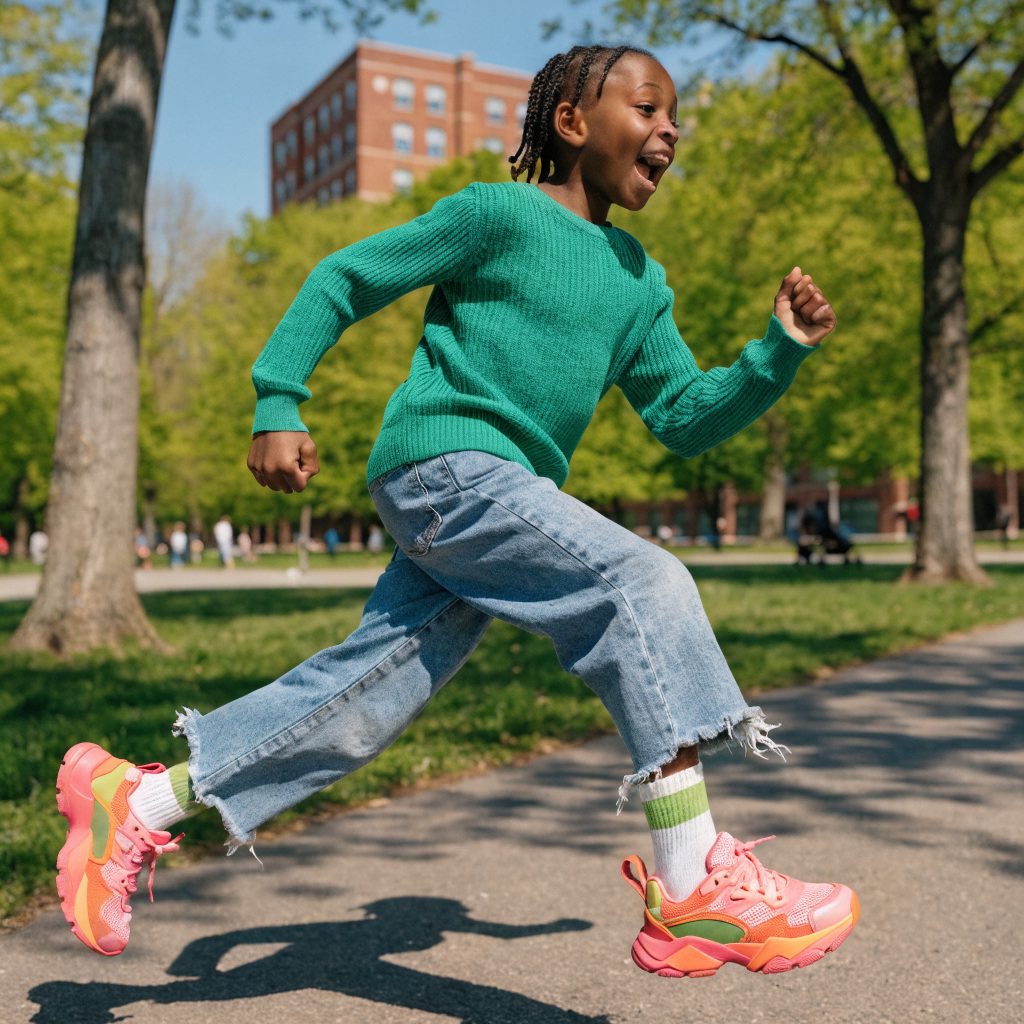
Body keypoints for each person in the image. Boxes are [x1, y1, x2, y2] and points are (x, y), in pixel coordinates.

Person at [54, 45, 857, 977]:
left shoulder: (642, 280)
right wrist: (279, 396)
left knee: (369, 697)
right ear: (571, 122)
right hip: (446, 470)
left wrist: (777, 352)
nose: (669, 128)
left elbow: (680, 416)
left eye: (676, 117)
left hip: (498, 499)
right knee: (640, 582)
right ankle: (690, 888)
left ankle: (134, 804)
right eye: (646, 108)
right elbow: (345, 277)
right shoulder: (497, 213)